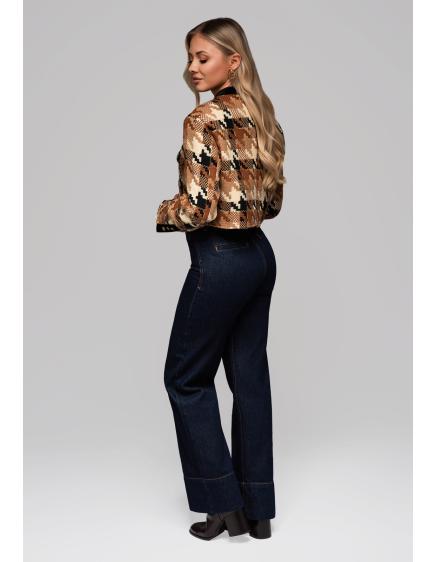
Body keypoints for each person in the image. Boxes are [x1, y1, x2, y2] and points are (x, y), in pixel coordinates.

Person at [155, 17, 286, 541]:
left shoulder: (203, 119)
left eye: (202, 58)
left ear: (233, 62)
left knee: (185, 379)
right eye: (189, 58)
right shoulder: (263, 116)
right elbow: (272, 205)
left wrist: (162, 211)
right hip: (259, 258)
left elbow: (196, 209)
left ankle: (221, 504)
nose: (192, 68)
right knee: (249, 379)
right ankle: (258, 510)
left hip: (221, 258)